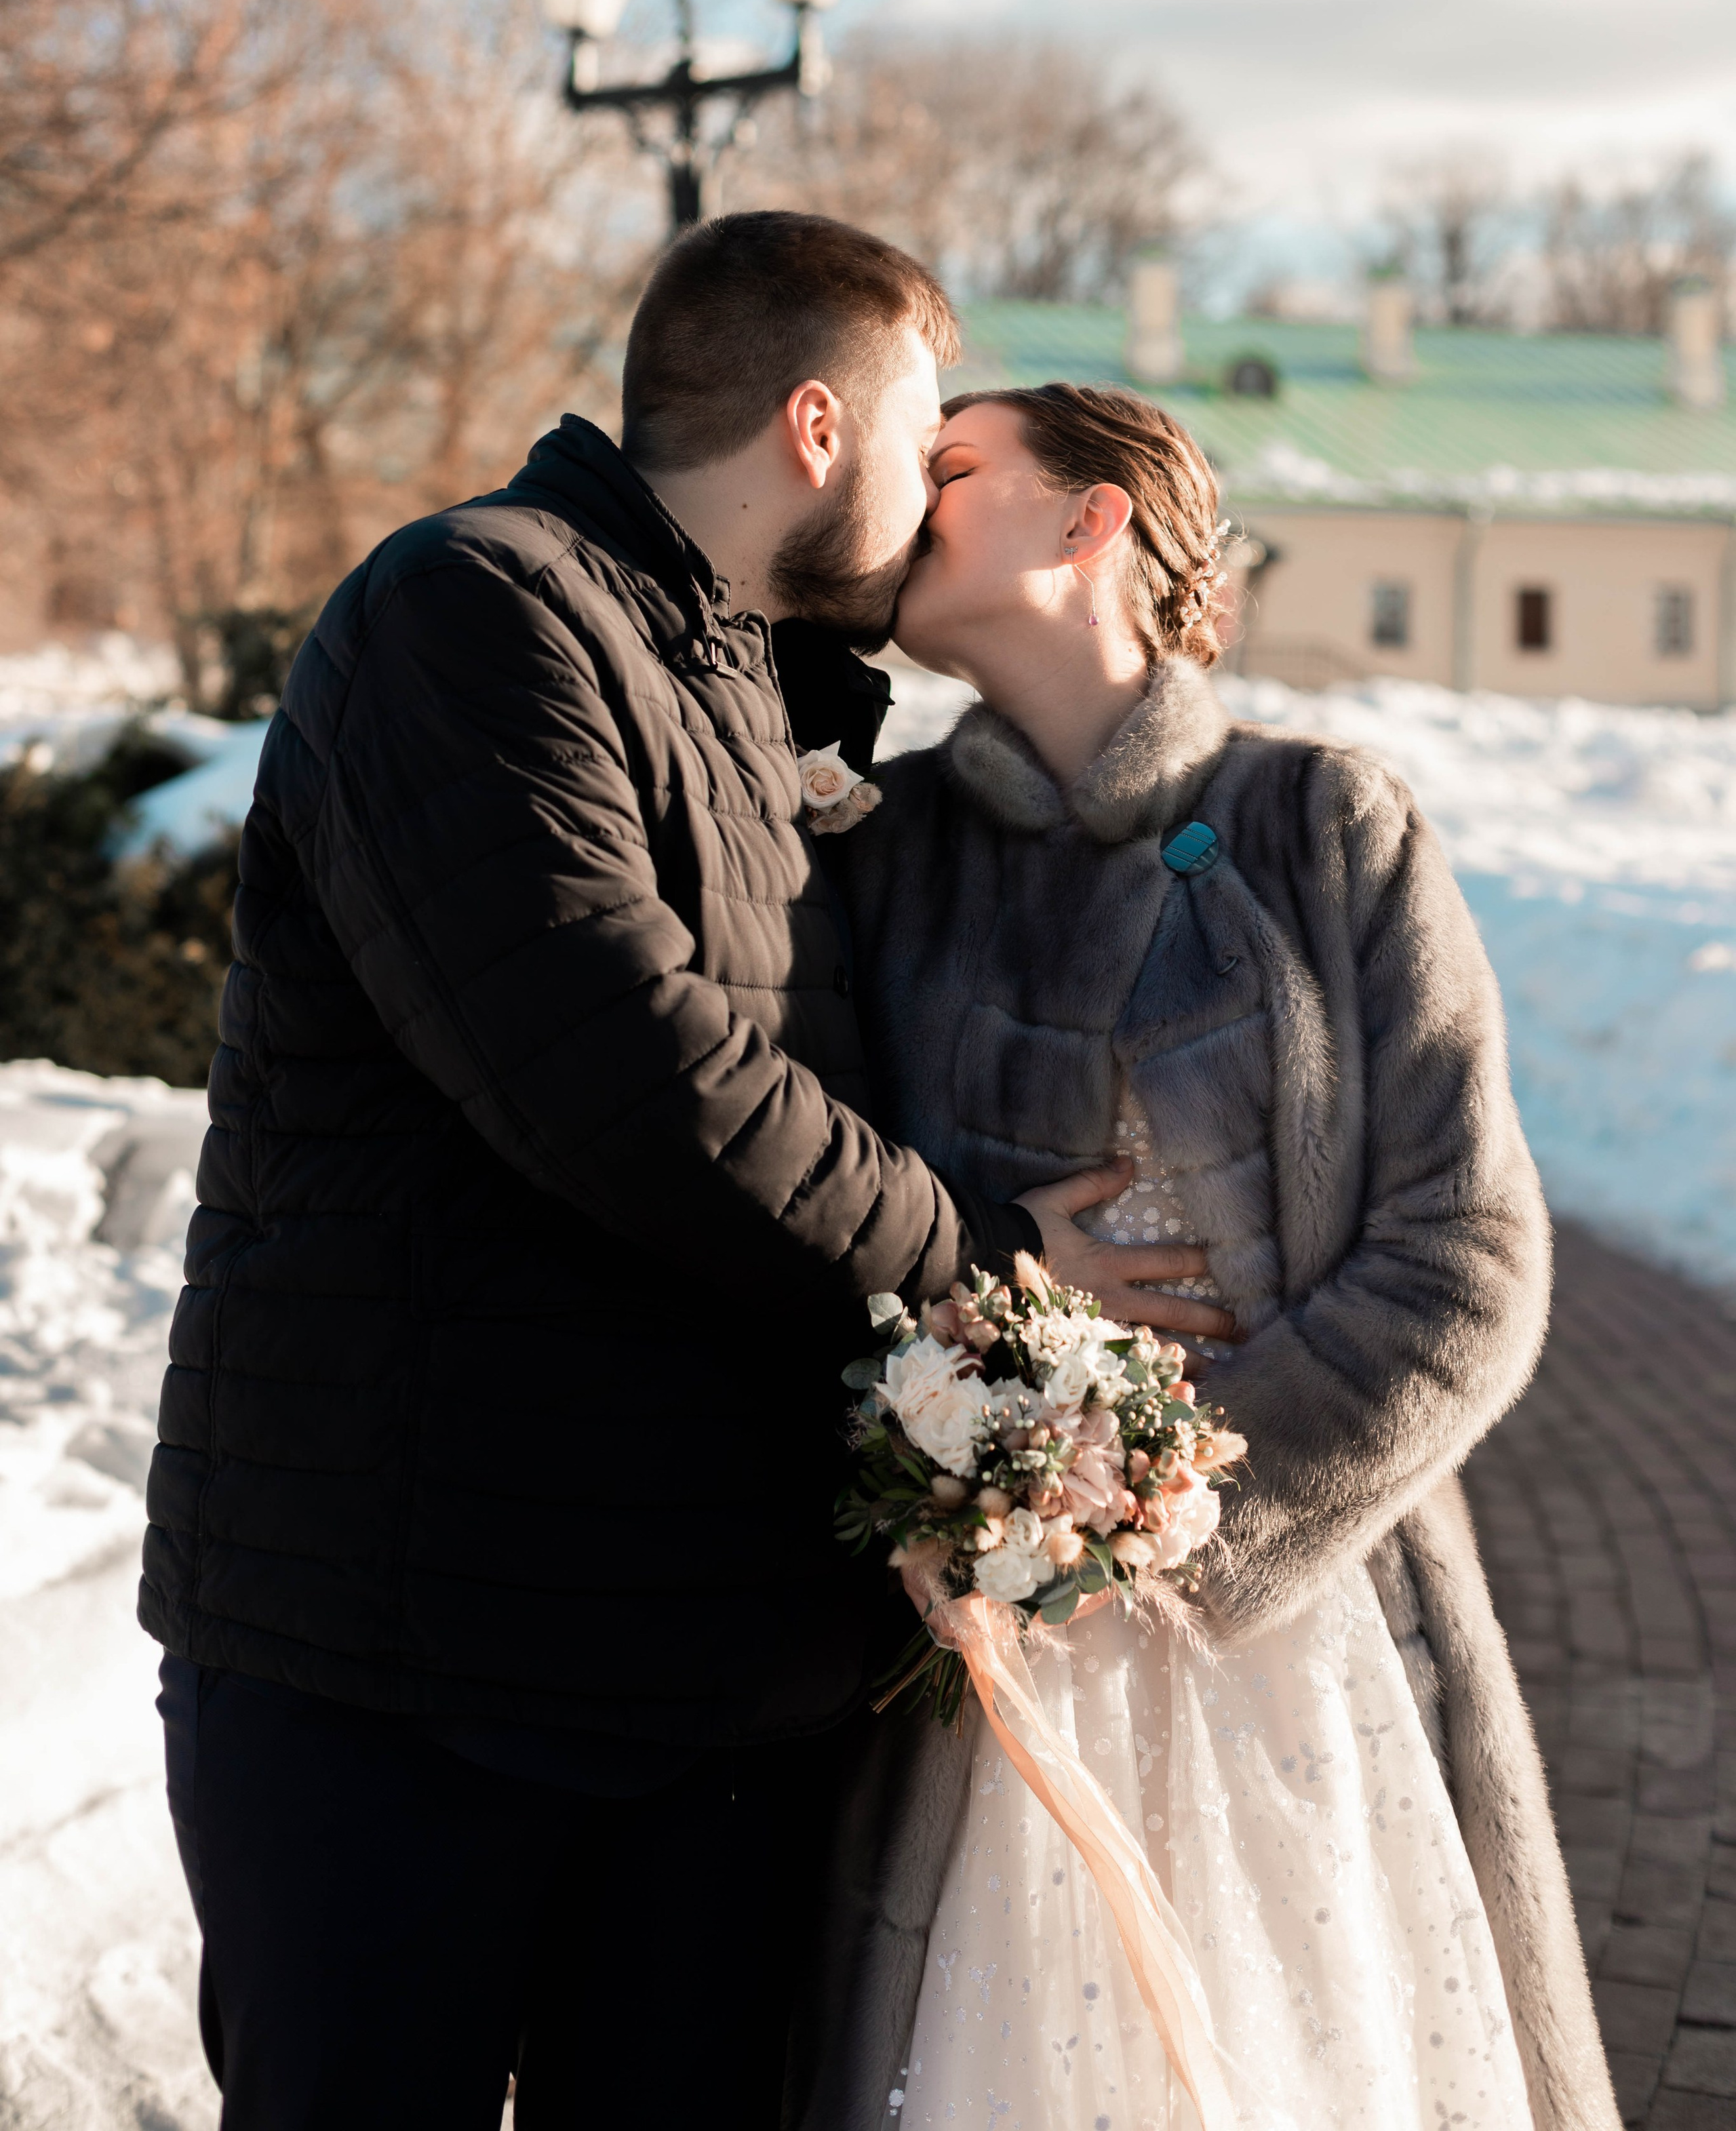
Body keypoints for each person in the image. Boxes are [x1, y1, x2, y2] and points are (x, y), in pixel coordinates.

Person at [138, 219, 1151, 2131]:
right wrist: (989, 1263)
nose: (937, 500)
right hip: (406, 1672)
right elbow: (629, 1075)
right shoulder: (473, 609)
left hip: (700, 1697)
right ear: (817, 424)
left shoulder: (761, 704)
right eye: (922, 442)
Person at [804, 383, 1619, 2131]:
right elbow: (823, 1219)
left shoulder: (1327, 826)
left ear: (1094, 521)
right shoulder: (877, 862)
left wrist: (1179, 1508)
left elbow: (1470, 1258)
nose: (901, 499)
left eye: (950, 469)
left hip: (1300, 1641)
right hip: (976, 1664)